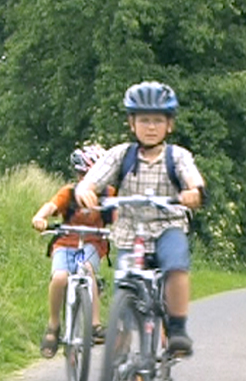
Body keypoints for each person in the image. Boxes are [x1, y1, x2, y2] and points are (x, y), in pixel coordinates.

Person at [74, 81, 206, 356]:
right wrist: (84, 190)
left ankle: (178, 329)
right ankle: (118, 356)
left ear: (169, 125)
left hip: (167, 226)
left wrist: (193, 192)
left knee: (175, 266)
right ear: (131, 123)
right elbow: (93, 179)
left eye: (158, 121)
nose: (150, 127)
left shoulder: (177, 156)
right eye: (144, 120)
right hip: (131, 232)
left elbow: (193, 179)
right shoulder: (121, 155)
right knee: (125, 283)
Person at [30, 144, 114, 358]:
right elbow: (51, 206)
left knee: (87, 269)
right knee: (59, 278)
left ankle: (95, 325)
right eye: (84, 174)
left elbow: (118, 214)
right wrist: (40, 217)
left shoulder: (108, 194)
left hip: (92, 243)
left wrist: (123, 228)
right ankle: (54, 325)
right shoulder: (69, 192)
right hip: (66, 243)